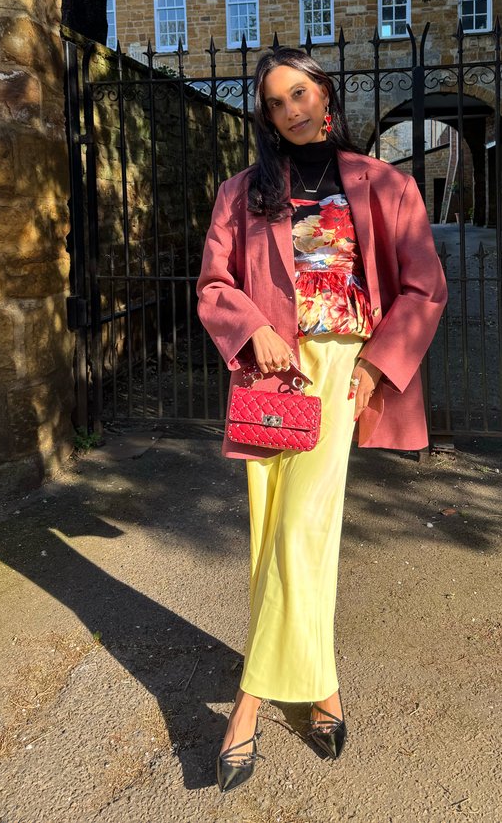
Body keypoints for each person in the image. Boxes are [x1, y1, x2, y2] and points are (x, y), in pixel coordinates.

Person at [196, 47, 447, 792]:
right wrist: (254, 328)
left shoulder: (384, 184)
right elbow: (213, 283)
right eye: (275, 101)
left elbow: (425, 286)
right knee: (274, 531)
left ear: (324, 94)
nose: (291, 109)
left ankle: (245, 705)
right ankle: (320, 685)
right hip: (269, 371)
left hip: (340, 370)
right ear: (265, 115)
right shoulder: (243, 192)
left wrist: (374, 366)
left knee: (305, 526)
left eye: (299, 92)